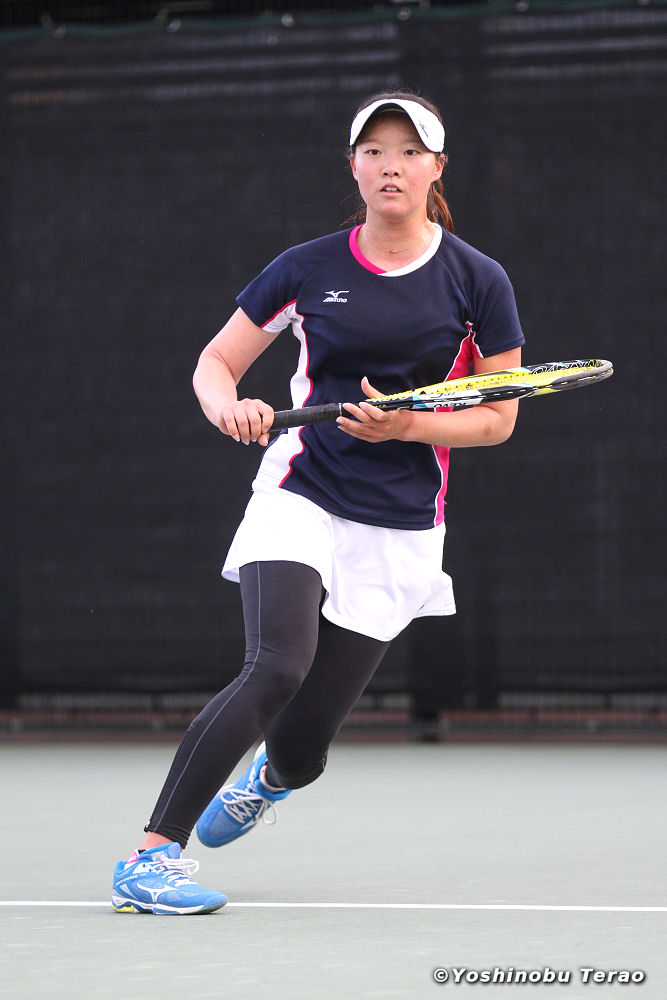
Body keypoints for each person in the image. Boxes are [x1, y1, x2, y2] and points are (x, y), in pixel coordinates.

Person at [111, 90, 525, 915]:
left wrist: (406, 427)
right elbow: (217, 362)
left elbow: (497, 418)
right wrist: (226, 406)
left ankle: (270, 778)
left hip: (401, 525)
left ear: (436, 168)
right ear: (353, 167)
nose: (389, 166)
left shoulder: (479, 281)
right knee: (275, 666)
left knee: (301, 748)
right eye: (373, 151)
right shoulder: (305, 267)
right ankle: (151, 856)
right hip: (299, 491)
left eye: (409, 152)